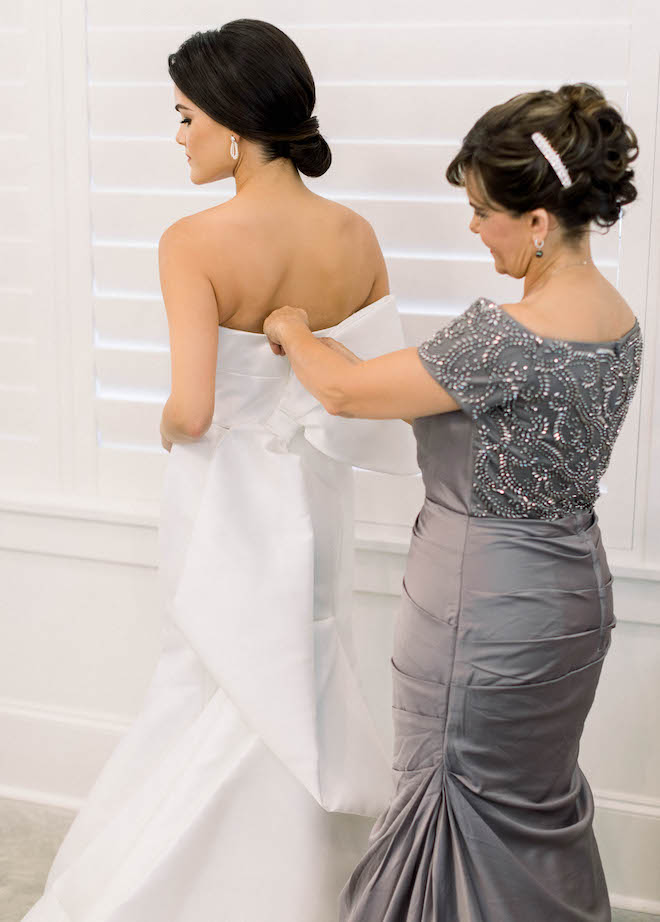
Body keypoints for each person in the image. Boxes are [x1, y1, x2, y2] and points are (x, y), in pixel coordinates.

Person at [22, 20, 419, 922]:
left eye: (184, 116)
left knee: (209, 679)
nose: (178, 136)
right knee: (306, 666)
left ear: (234, 123)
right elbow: (361, 389)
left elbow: (192, 410)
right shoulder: (354, 235)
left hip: (224, 493)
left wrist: (167, 429)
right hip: (316, 492)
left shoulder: (193, 240)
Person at [263, 83, 643, 922]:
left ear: (537, 221)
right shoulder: (620, 319)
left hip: (483, 609)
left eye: (482, 212)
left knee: (450, 799)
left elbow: (348, 392)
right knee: (530, 806)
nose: (474, 229)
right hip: (572, 595)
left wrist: (293, 330)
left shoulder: (505, 335)